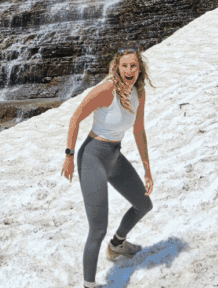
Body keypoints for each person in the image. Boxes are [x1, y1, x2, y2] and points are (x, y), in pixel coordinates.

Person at [61, 46, 154, 288]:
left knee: (144, 204)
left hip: (114, 156)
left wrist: (147, 168)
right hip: (92, 157)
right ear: (117, 67)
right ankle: (88, 285)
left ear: (139, 68)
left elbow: (139, 130)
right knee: (97, 228)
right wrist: (69, 156)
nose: (129, 70)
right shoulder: (105, 91)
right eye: (125, 66)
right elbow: (75, 118)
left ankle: (117, 245)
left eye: (133, 66)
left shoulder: (138, 93)